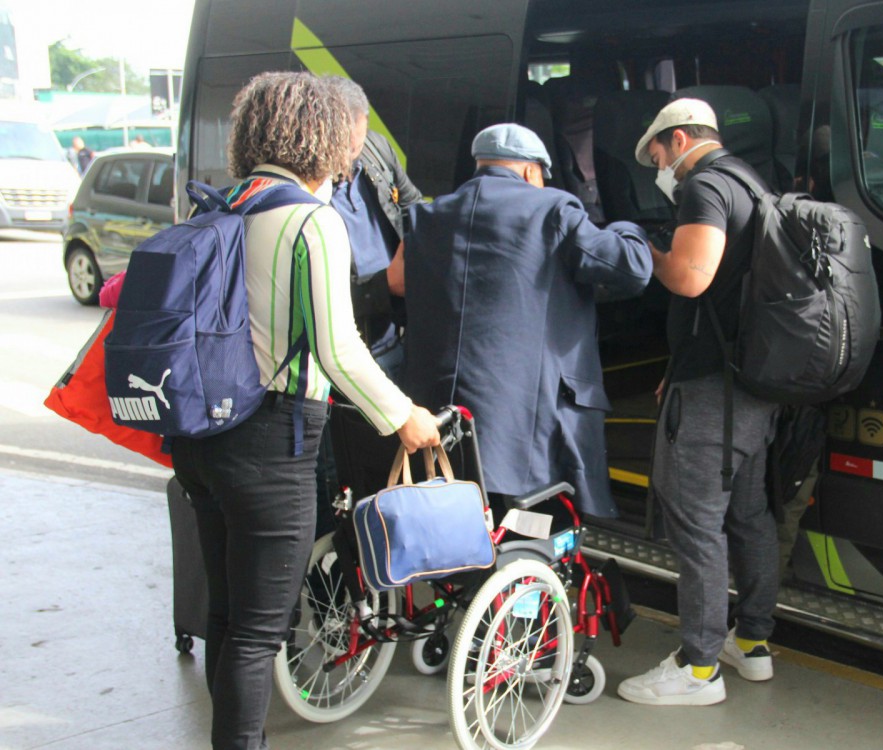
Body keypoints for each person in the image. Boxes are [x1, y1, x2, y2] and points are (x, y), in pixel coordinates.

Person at [169, 71, 441, 750]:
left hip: (200, 438)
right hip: (271, 444)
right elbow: (337, 345)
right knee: (263, 631)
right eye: (351, 137)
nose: (357, 151)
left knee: (230, 619)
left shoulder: (223, 204)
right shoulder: (311, 220)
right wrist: (404, 414)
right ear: (316, 132)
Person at [396, 123, 652, 519]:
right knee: (531, 529)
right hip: (525, 428)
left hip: (436, 420)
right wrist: (627, 226)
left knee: (464, 533)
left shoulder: (427, 215)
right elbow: (631, 268)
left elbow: (398, 281)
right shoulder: (552, 208)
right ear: (533, 171)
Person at [617, 99, 781, 707]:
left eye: (657, 154)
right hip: (753, 386)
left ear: (680, 138)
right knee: (749, 516)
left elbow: (690, 277)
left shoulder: (704, 185)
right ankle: (753, 643)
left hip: (713, 393)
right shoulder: (752, 182)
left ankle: (699, 666)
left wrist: (644, 249)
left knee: (697, 523)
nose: (659, 168)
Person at [323, 76, 423, 383]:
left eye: (359, 143)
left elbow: (415, 207)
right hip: (349, 357)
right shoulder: (304, 191)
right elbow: (313, 298)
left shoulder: (375, 149)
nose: (353, 155)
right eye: (347, 146)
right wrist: (384, 285)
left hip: (396, 337)